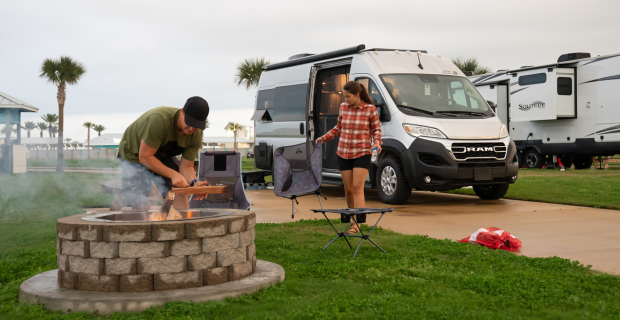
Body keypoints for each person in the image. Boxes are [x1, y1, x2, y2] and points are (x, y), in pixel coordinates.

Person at [118, 96, 210, 210]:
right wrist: (174, 174)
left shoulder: (196, 135)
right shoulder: (159, 120)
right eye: (189, 122)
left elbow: (186, 166)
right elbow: (145, 157)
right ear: (182, 112)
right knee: (140, 198)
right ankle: (141, 224)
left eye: (196, 126)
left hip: (161, 154)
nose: (191, 129)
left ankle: (183, 224)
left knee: (179, 190)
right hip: (134, 154)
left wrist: (194, 182)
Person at [315, 81, 382, 234]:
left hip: (362, 152)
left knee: (358, 187)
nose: (346, 100)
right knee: (348, 189)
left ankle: (356, 223)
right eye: (344, 97)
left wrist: (377, 143)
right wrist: (324, 137)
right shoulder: (343, 107)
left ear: (357, 95)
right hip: (343, 152)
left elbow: (376, 130)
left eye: (348, 96)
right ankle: (352, 217)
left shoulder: (370, 109)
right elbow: (339, 127)